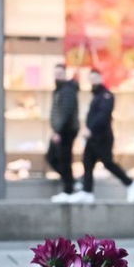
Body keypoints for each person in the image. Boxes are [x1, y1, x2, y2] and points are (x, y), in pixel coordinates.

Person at [76, 69, 134, 204]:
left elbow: (103, 115)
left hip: (102, 137)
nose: (93, 81)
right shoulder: (96, 96)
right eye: (91, 78)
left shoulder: (106, 96)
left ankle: (131, 183)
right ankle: (87, 191)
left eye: (95, 78)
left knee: (107, 162)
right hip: (92, 138)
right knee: (87, 163)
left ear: (101, 78)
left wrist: (91, 129)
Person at [46, 63, 81, 203]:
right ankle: (71, 182)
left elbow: (66, 112)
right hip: (60, 130)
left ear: (65, 74)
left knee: (63, 159)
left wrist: (58, 131)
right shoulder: (60, 89)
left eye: (60, 73)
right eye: (56, 73)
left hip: (65, 131)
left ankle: (69, 189)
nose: (57, 76)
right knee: (53, 157)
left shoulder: (67, 90)